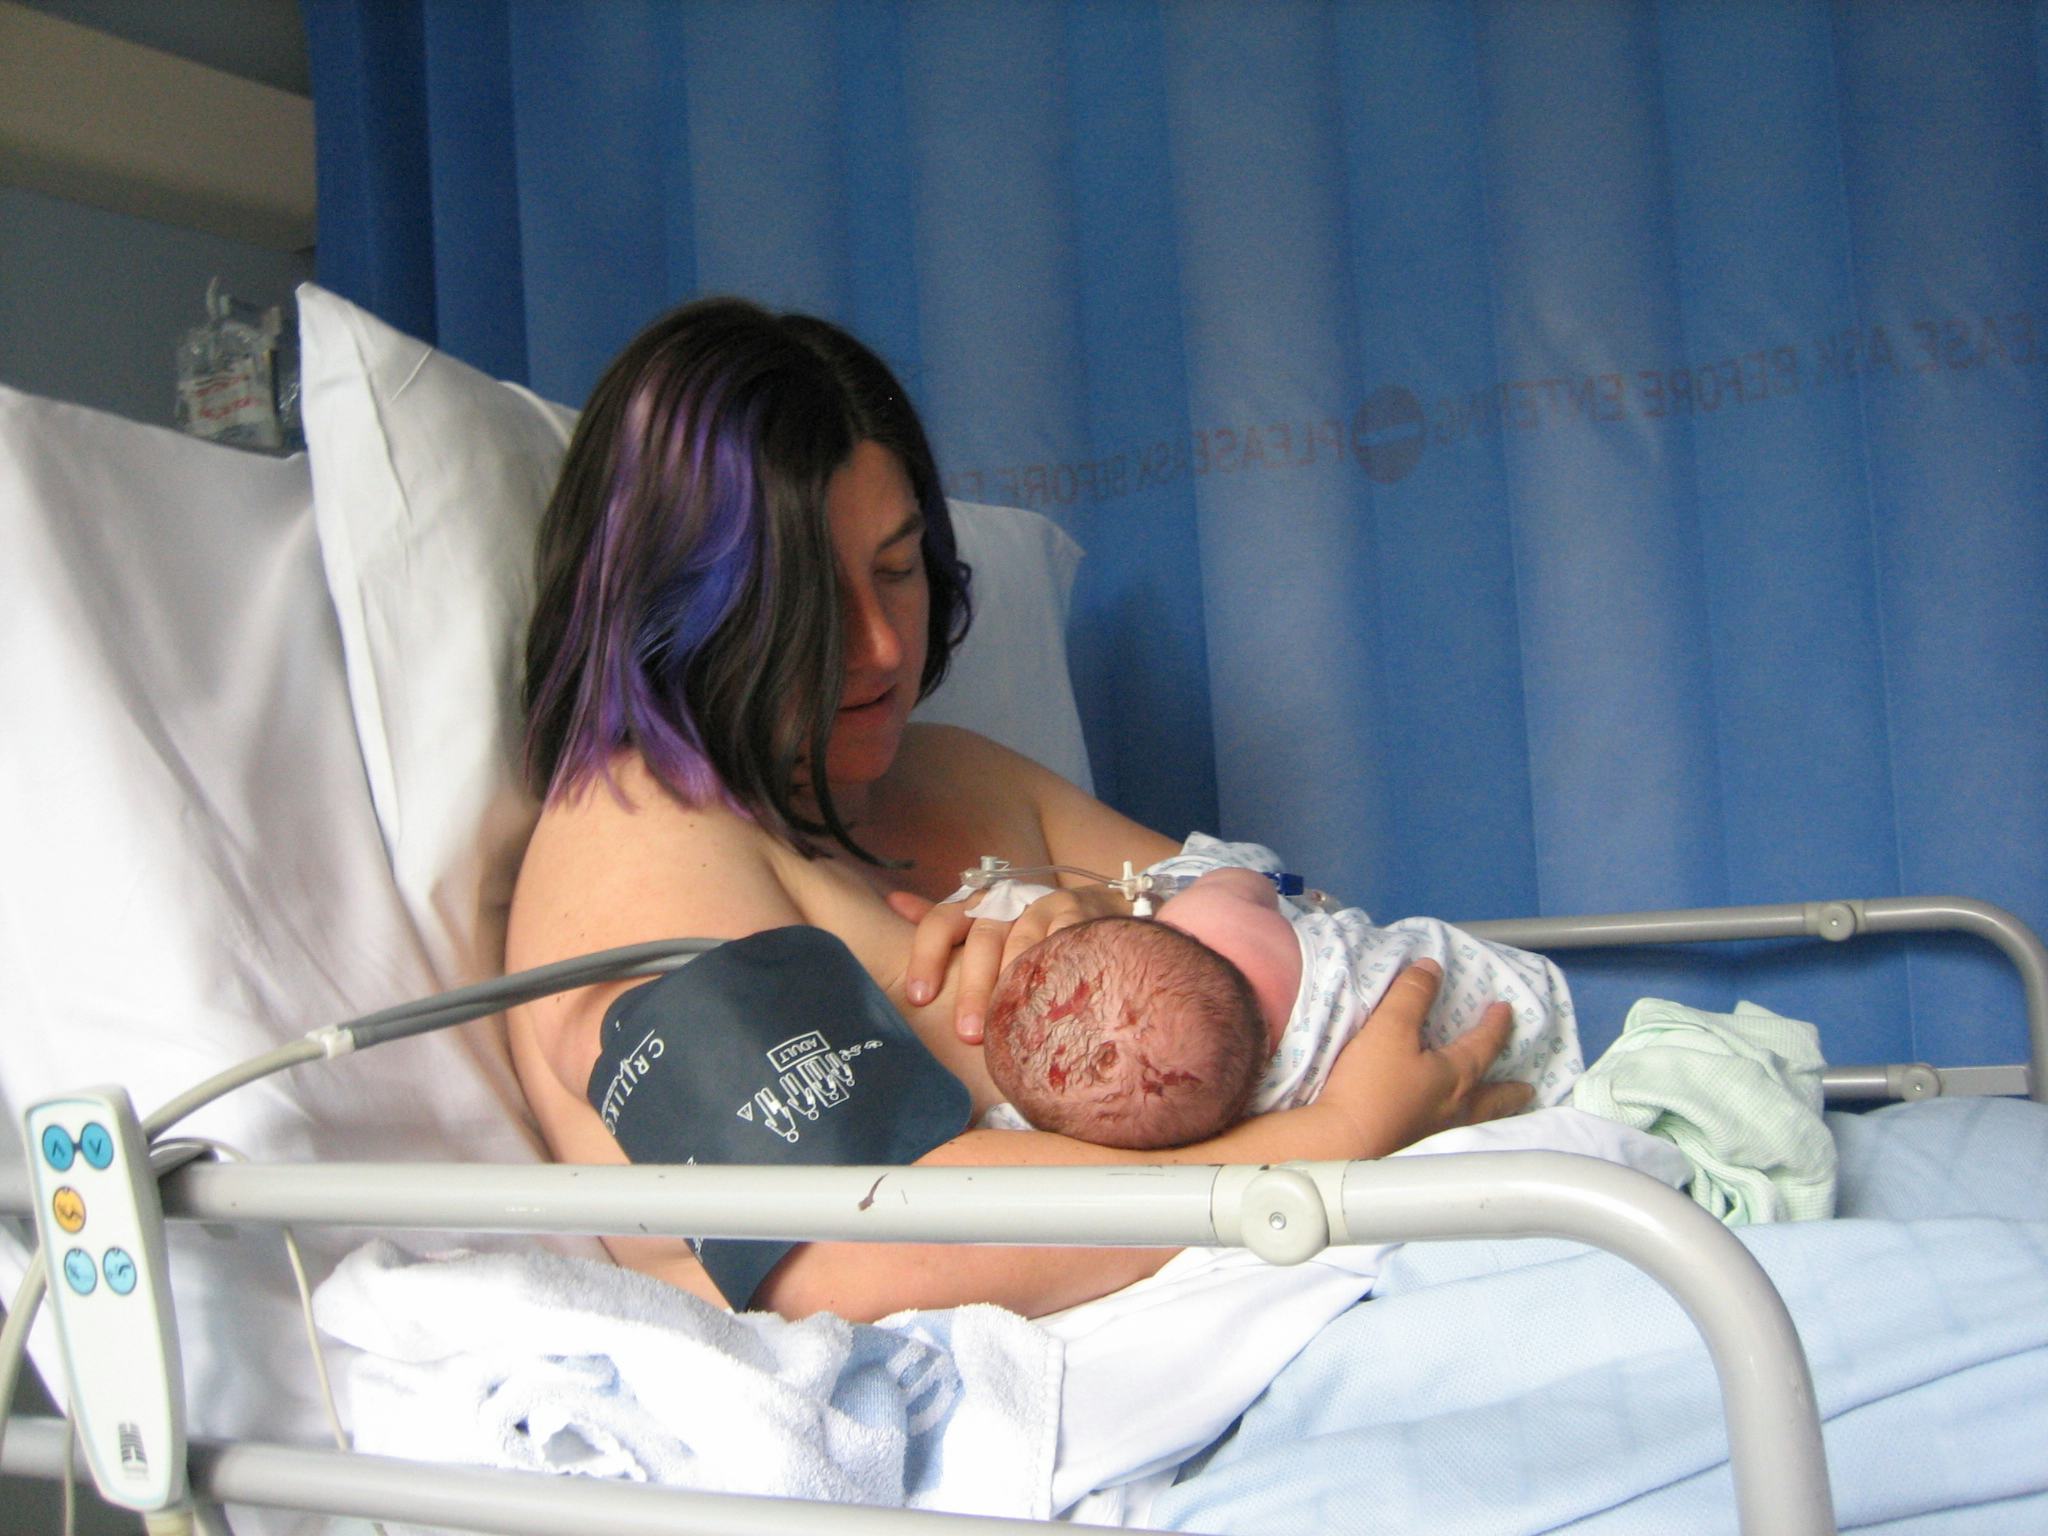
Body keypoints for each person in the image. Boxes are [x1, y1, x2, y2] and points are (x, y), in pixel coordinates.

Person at [503, 295, 1531, 1323]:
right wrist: (1332, 1144)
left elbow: (1310, 929)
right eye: (812, 602)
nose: (880, 646)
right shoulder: (635, 838)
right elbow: (840, 1261)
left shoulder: (958, 775)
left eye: (897, 570)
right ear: (676, 605)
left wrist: (1120, 914)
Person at [979, 865, 1581, 1150]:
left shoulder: (1224, 1118)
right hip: (1498, 988)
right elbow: (1243, 875)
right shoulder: (1207, 915)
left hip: (1505, 1106)